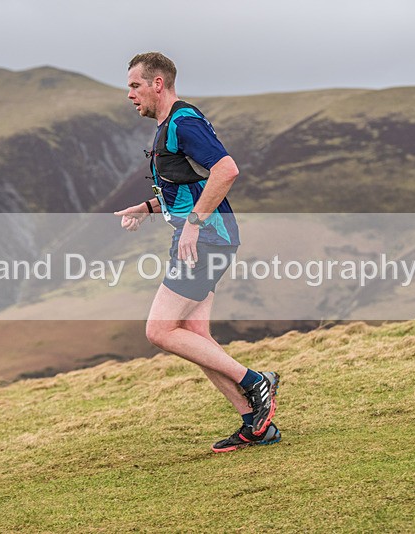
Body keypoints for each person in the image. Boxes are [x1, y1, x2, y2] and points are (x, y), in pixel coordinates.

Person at [114, 52, 281, 453]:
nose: (131, 95)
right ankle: (255, 425)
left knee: (159, 330)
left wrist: (193, 224)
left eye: (136, 86)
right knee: (194, 334)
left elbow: (226, 170)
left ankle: (256, 381)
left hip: (207, 240)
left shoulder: (183, 121)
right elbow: (187, 185)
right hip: (204, 239)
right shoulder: (169, 125)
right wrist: (148, 208)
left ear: (158, 84)